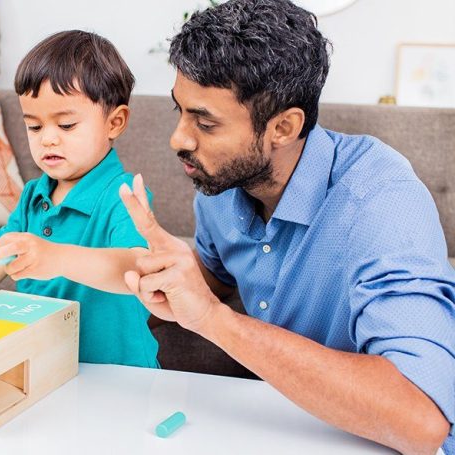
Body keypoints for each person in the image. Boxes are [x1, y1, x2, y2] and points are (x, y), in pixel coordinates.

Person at [118, 0, 455, 452]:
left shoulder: (380, 200)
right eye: (179, 111)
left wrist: (216, 321)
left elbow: (422, 420)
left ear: (283, 127)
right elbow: (210, 281)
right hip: (288, 426)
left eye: (206, 122)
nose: (179, 138)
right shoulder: (224, 187)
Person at [0, 30, 159, 368]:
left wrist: (56, 257)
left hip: (119, 375)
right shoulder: (33, 196)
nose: (48, 140)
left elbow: (137, 269)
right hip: (46, 366)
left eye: (66, 125)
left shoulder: (124, 195)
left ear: (115, 122)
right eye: (35, 127)